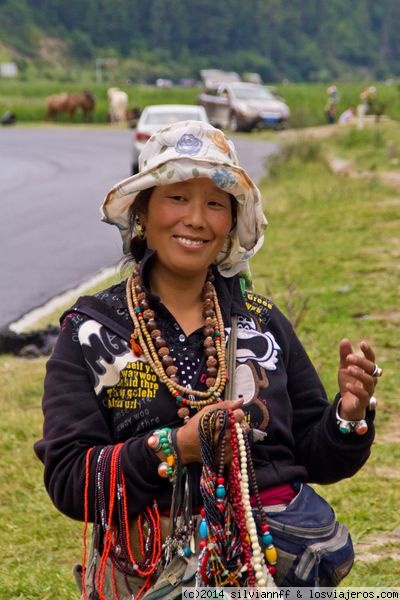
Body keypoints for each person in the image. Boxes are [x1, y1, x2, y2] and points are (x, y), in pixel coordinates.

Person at [35, 120, 381, 598]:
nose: (196, 219)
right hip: (148, 574)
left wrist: (349, 413)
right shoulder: (92, 330)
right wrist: (175, 446)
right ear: (143, 211)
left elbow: (312, 455)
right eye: (177, 197)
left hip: (274, 572)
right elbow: (72, 480)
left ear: (231, 222)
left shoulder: (262, 320)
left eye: (215, 203)